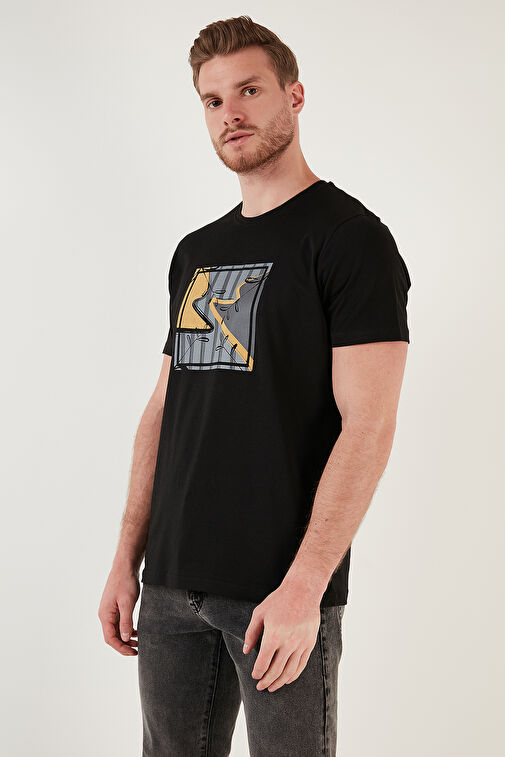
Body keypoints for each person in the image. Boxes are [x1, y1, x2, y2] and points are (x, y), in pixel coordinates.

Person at [98, 14, 411, 757]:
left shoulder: (349, 239)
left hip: (278, 589)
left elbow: (368, 424)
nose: (229, 113)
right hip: (170, 584)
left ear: (293, 95)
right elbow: (164, 409)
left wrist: (306, 586)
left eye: (249, 90)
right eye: (212, 100)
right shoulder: (196, 251)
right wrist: (126, 557)